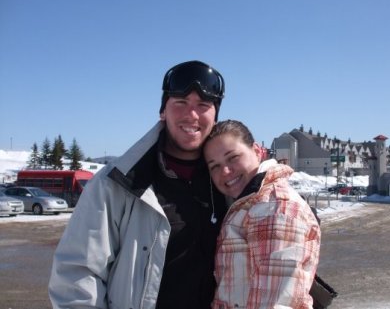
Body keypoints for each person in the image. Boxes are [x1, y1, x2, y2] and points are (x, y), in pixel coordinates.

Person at [48, 60, 228, 309]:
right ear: (163, 111)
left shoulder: (227, 182)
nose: (192, 115)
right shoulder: (117, 182)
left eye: (203, 105)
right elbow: (77, 274)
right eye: (181, 103)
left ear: (215, 115)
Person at [203, 119, 321, 309]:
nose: (225, 171)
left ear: (258, 151)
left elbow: (275, 303)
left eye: (232, 157)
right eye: (214, 166)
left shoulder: (274, 207)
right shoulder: (249, 204)